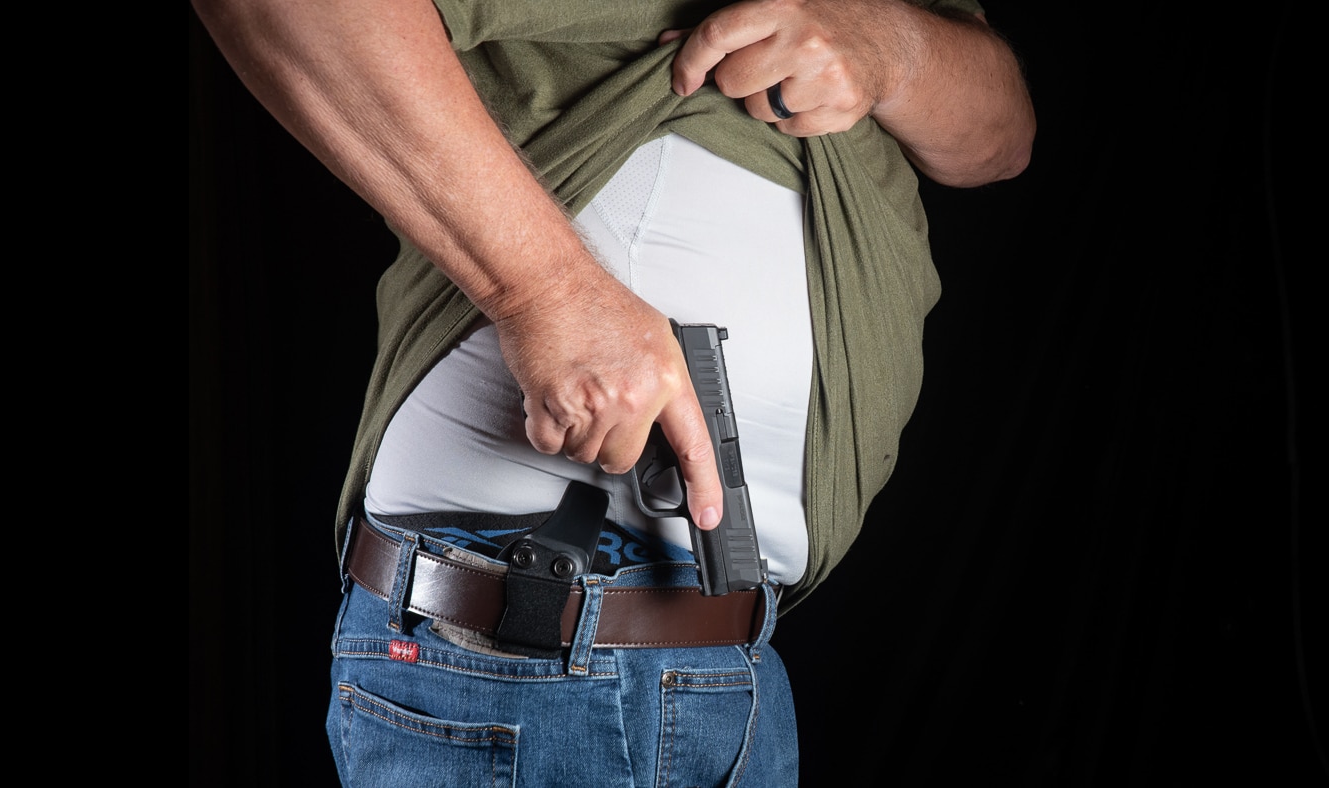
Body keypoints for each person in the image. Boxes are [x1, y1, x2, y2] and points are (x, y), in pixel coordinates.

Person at [194, 0, 1034, 783]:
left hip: (729, 660)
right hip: (523, 645)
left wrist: (892, 46)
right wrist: (546, 293)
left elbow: (1002, 140)